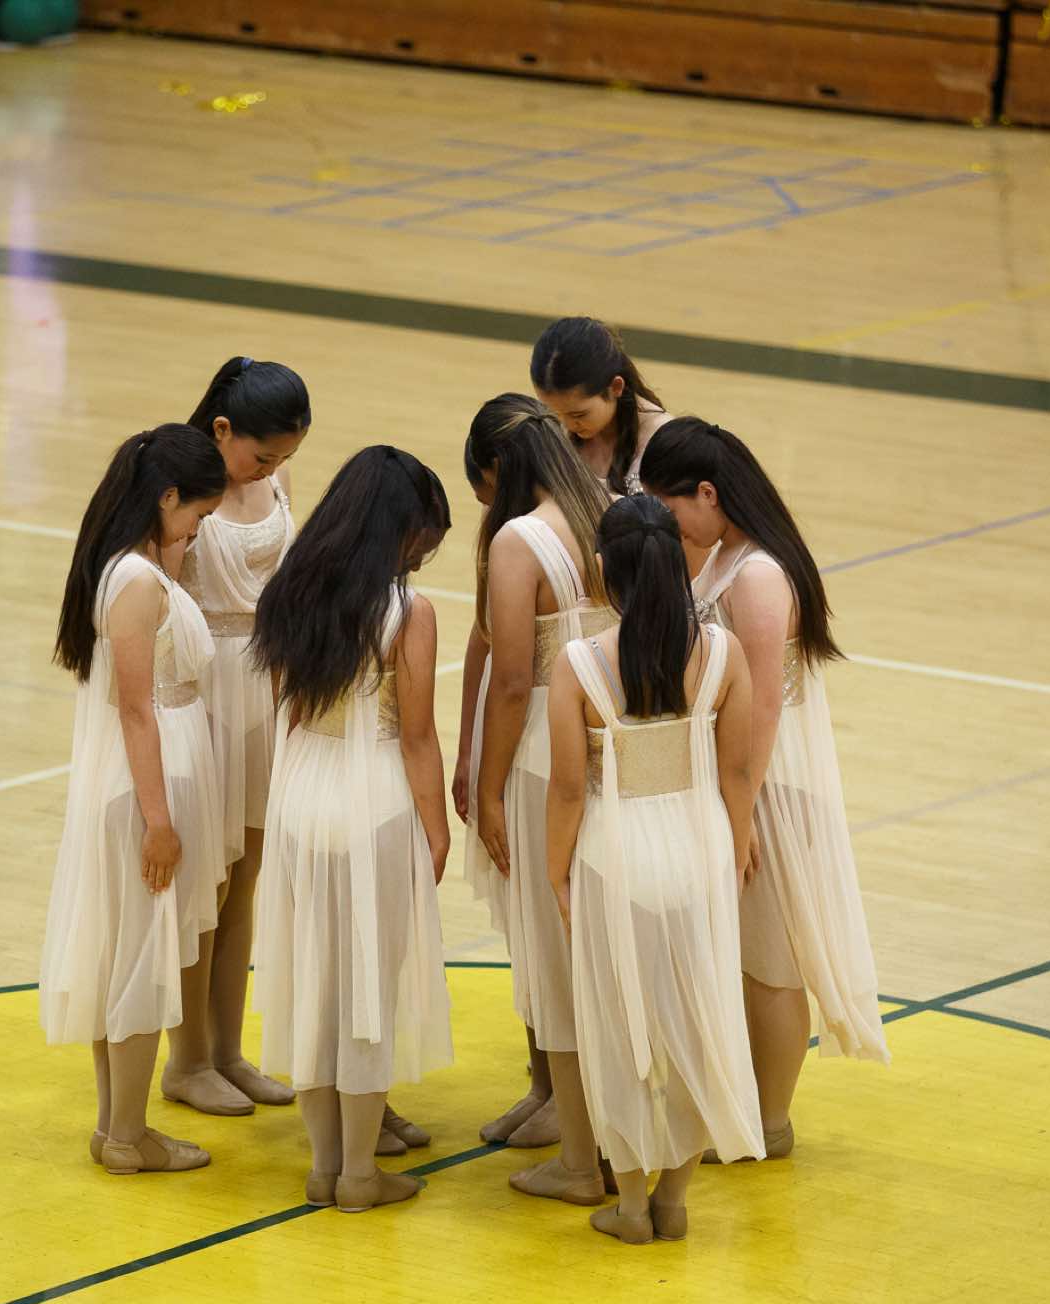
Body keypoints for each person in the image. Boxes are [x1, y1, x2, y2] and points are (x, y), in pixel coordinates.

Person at [641, 418, 891, 1163]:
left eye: (671, 508)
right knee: (744, 957)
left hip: (767, 789)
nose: (670, 526)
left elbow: (761, 710)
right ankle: (743, 1108)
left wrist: (739, 818)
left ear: (707, 492)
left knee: (771, 963)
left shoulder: (756, 574)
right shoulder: (728, 555)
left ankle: (770, 1120)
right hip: (741, 784)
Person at [545, 495, 764, 1243]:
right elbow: (738, 772)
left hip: (615, 856)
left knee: (623, 1031)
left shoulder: (579, 663)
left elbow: (567, 788)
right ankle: (675, 1199)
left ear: (602, 569)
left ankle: (632, 1205)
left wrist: (556, 871)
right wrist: (736, 846)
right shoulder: (723, 653)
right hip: (699, 847)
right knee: (699, 1024)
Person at [250, 446, 455, 1212]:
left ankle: (323, 1165)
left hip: (304, 788)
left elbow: (289, 710)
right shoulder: (408, 612)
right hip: (374, 796)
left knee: (314, 981)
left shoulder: (291, 589)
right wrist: (437, 827)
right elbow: (417, 735)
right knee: (367, 986)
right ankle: (361, 1174)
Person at [38, 423, 233, 1175]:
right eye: (197, 514)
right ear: (167, 496)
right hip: (146, 788)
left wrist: (171, 544)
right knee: (143, 961)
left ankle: (116, 1126)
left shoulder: (138, 567)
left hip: (154, 778)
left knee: (128, 955)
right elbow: (134, 708)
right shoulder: (137, 581)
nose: (199, 530)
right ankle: (126, 1133)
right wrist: (159, 821)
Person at [466, 394, 617, 1202]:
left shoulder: (520, 540)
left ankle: (578, 1160)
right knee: (600, 945)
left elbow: (511, 679)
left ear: (501, 470)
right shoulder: (615, 511)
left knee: (557, 958)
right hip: (614, 748)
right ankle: (616, 1138)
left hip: (538, 754)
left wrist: (487, 788)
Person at [168, 356, 310, 1118]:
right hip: (203, 687)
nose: (273, 468)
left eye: (285, 456)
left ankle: (227, 1051)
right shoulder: (181, 487)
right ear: (222, 430)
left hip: (263, 683)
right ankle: (185, 1059)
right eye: (262, 455)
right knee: (204, 882)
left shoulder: (276, 483)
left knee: (245, 878)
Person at [530, 316, 671, 493]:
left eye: (578, 415)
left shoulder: (663, 442)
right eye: (554, 412)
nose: (567, 425)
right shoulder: (552, 428)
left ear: (615, 387)